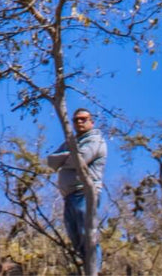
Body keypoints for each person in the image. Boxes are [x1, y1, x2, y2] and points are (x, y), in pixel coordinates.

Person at [45, 107, 106, 269]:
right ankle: (85, 269)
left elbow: (81, 159)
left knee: (88, 235)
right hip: (69, 196)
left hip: (84, 193)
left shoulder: (95, 140)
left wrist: (65, 159)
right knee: (75, 238)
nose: (79, 122)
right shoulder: (70, 142)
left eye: (83, 119)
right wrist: (70, 155)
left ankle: (95, 270)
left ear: (91, 122)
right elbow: (50, 161)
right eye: (76, 119)